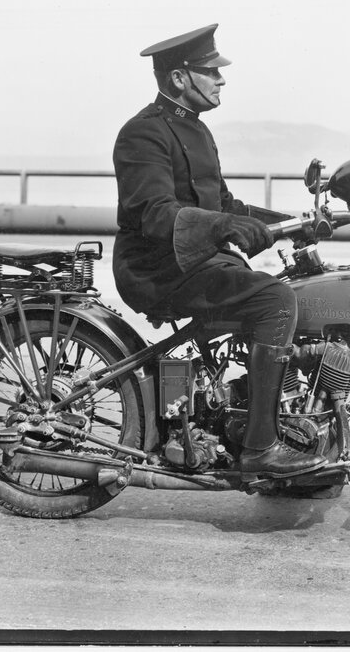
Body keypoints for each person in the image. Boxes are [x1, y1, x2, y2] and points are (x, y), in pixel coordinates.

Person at [112, 24, 326, 479]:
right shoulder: (143, 134)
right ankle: (261, 448)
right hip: (157, 269)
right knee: (275, 300)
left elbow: (223, 204)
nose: (221, 78)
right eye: (210, 71)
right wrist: (224, 225)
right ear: (179, 78)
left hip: (196, 262)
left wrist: (291, 223)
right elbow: (154, 213)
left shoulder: (198, 131)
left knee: (296, 286)